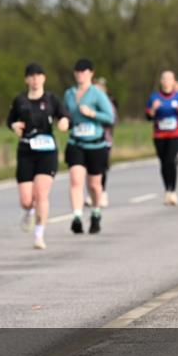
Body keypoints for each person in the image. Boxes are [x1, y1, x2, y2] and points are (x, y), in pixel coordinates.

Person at [7, 63, 70, 250]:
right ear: (26, 79)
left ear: (44, 78)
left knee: (41, 193)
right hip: (26, 151)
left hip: (47, 152)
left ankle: (39, 235)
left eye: (38, 76)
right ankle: (29, 211)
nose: (35, 80)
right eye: (31, 76)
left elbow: (64, 116)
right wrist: (14, 126)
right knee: (26, 200)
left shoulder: (51, 99)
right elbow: (10, 120)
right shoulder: (20, 100)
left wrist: (64, 123)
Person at [63, 59, 115, 233]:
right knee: (76, 179)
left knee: (94, 184)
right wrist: (64, 121)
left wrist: (92, 113)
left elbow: (110, 117)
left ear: (91, 73)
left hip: (96, 144)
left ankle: (95, 212)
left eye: (84, 71)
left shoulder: (97, 94)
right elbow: (65, 114)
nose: (80, 74)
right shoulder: (69, 94)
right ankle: (77, 216)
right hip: (76, 142)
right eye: (77, 71)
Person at [145, 70, 178, 205]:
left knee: (171, 160)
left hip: (175, 134)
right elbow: (148, 116)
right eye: (164, 78)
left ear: (173, 81)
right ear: (161, 81)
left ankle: (173, 190)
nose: (166, 81)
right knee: (163, 162)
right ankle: (167, 190)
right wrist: (153, 109)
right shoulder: (154, 98)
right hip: (159, 135)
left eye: (169, 79)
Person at [93, 76, 117, 208]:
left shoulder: (108, 103)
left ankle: (102, 193)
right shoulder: (87, 101)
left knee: (102, 167)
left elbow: (112, 119)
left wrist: (95, 116)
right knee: (90, 169)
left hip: (105, 139)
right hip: (89, 139)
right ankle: (93, 193)